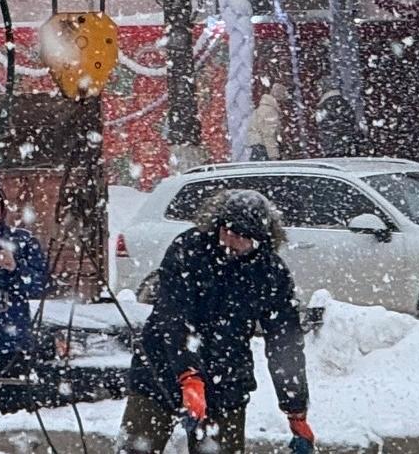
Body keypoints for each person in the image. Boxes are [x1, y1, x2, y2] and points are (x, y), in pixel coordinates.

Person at [121, 189, 314, 454]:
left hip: (226, 380)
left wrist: (296, 410)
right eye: (227, 230)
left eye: (240, 236)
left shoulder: (270, 273)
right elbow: (173, 317)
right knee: (137, 448)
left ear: (259, 239)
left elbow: (285, 343)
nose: (230, 239)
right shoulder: (189, 249)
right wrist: (189, 375)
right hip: (160, 369)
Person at [0, 174, 52, 378]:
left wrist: (16, 268)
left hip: (14, 342)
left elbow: (41, 287)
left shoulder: (24, 241)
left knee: (16, 405)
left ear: (2, 206)